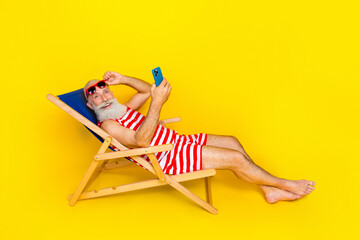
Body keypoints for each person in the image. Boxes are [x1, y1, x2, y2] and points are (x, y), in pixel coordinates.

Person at [84, 71, 316, 204]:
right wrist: (157, 104)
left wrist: (123, 78)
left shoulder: (122, 109)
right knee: (235, 158)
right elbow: (142, 141)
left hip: (176, 142)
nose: (103, 97)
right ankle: (284, 184)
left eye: (106, 91)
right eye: (96, 96)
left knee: (232, 141)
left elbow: (146, 90)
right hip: (167, 157)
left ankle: (269, 190)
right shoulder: (110, 124)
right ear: (89, 104)